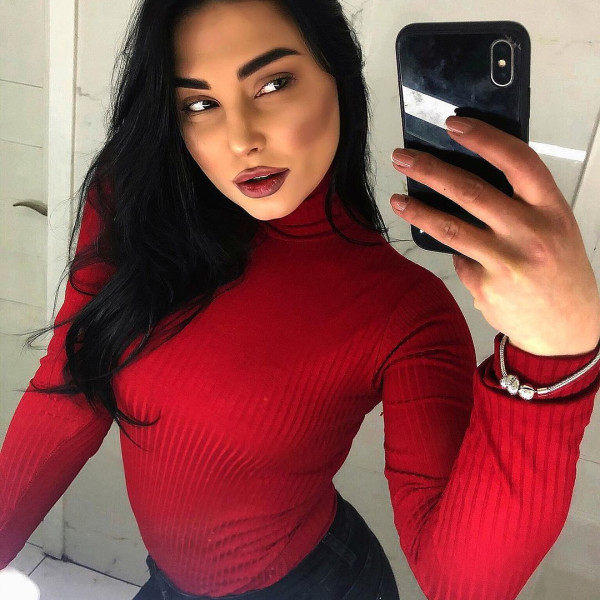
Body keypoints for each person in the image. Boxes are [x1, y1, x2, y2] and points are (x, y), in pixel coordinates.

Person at [1, 0, 599, 599]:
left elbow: (460, 583)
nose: (241, 139)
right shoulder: (136, 209)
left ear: (338, 77)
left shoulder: (404, 310)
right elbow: (70, 390)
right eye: (199, 104)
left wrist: (552, 357)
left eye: (273, 84)